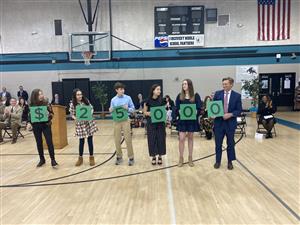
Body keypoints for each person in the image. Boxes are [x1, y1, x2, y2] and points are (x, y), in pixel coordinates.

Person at [213, 77, 242, 170]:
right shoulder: (217, 94)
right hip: (219, 123)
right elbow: (213, 107)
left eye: (226, 84)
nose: (224, 85)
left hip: (230, 123)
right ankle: (218, 161)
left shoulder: (237, 96)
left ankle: (230, 162)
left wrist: (231, 114)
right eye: (223, 84)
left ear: (231, 84)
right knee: (218, 144)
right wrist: (213, 113)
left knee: (230, 143)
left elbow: (239, 110)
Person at [27, 89, 58, 167]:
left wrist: (49, 115)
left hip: (46, 125)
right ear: (35, 96)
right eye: (39, 94)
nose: (41, 95)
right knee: (39, 142)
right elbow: (29, 116)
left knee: (49, 142)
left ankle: (53, 159)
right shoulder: (31, 105)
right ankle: (42, 159)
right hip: (36, 126)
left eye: (42, 94)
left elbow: (52, 114)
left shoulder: (46, 103)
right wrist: (29, 123)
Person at [175, 79, 202, 167]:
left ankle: (190, 157)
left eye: (185, 84)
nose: (184, 85)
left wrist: (196, 112)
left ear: (190, 85)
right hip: (182, 121)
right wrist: (178, 111)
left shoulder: (195, 96)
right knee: (181, 138)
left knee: (190, 138)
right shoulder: (179, 96)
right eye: (183, 84)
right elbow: (176, 107)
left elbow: (199, 108)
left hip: (191, 121)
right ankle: (181, 157)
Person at [69, 89, 98, 166]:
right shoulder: (72, 104)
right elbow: (71, 114)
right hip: (80, 125)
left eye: (81, 94)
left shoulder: (86, 101)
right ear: (75, 96)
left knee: (90, 141)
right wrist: (75, 118)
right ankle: (80, 158)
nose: (80, 96)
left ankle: (91, 157)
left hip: (88, 123)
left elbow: (91, 108)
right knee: (81, 142)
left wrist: (90, 113)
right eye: (78, 94)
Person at [109, 82, 135, 166]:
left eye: (123, 89)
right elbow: (111, 111)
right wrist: (110, 110)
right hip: (116, 121)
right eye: (120, 89)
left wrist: (128, 108)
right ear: (116, 90)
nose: (122, 90)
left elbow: (133, 109)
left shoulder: (128, 98)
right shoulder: (113, 100)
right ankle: (119, 157)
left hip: (126, 120)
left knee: (128, 139)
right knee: (117, 140)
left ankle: (131, 157)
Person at [144, 84, 166, 165]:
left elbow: (163, 111)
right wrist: (148, 113)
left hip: (160, 123)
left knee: (160, 139)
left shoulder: (162, 100)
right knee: (152, 140)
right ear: (153, 90)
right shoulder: (147, 101)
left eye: (160, 89)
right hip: (151, 123)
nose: (159, 91)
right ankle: (153, 156)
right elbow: (144, 112)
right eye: (157, 89)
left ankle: (160, 156)